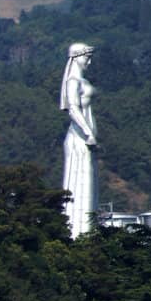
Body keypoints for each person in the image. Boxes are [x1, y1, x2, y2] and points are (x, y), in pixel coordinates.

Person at [60, 42, 98, 238]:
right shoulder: (73, 81)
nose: (89, 62)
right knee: (80, 184)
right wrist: (88, 133)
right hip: (79, 139)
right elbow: (73, 109)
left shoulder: (82, 81)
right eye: (86, 57)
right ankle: (77, 234)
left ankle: (88, 233)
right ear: (75, 58)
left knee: (89, 187)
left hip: (86, 142)